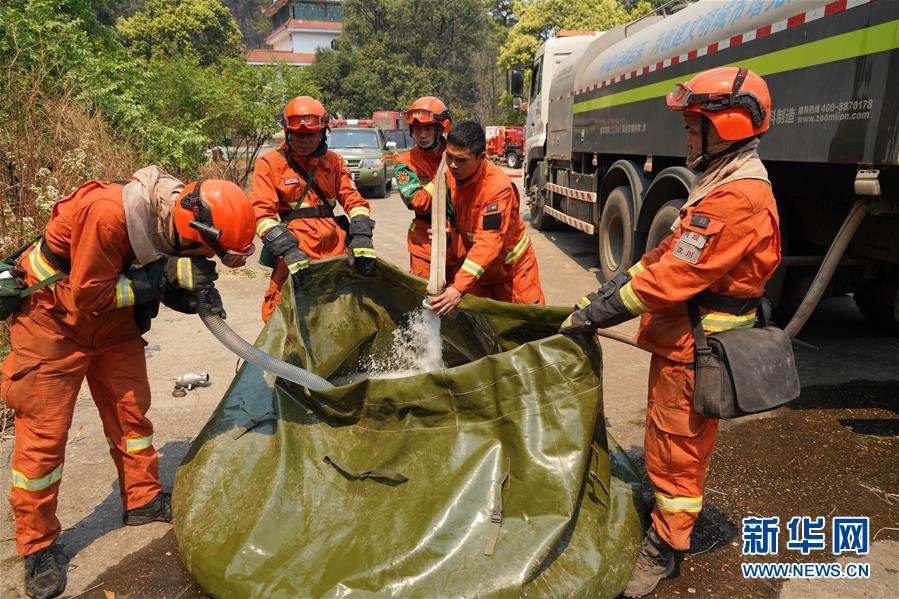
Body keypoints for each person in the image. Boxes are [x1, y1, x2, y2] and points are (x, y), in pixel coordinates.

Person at [559, 67, 780, 598]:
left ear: (723, 128)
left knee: (679, 451)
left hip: (698, 351)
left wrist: (603, 311)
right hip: (682, 343)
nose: (686, 138)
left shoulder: (736, 198)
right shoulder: (720, 182)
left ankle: (666, 546)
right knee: (663, 438)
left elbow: (674, 277)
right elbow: (667, 254)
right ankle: (664, 513)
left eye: (692, 127)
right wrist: (611, 288)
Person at [3, 166, 257, 599]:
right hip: (53, 319)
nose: (209, 259)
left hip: (112, 323)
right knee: (44, 439)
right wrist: (162, 277)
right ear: (192, 230)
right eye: (207, 253)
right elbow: (90, 295)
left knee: (131, 413)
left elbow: (152, 269)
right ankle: (38, 544)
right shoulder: (107, 213)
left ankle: (142, 499)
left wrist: (185, 291)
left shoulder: (173, 214)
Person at [251, 96, 376, 322]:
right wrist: (287, 249)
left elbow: (354, 200)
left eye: (311, 134)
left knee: (343, 314)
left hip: (335, 252)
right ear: (288, 133)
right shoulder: (270, 164)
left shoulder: (334, 162)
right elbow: (261, 213)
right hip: (296, 254)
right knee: (282, 316)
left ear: (322, 133)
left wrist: (361, 234)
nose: (305, 140)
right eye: (299, 135)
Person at [428, 121, 544, 314]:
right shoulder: (449, 177)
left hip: (512, 274)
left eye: (461, 160)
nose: (453, 165)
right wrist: (447, 235)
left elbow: (489, 242)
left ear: (481, 157)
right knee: (477, 324)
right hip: (478, 271)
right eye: (449, 157)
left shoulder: (497, 187)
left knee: (523, 324)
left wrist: (458, 288)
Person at [392, 96, 452, 278]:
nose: (422, 135)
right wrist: (444, 174)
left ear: (441, 129)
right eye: (417, 129)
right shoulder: (405, 162)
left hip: (459, 240)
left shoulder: (458, 154)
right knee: (425, 292)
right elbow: (419, 202)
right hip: (424, 244)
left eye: (427, 129)